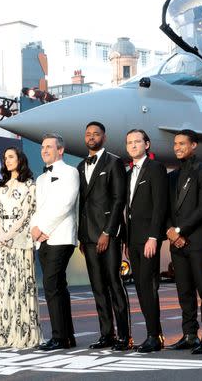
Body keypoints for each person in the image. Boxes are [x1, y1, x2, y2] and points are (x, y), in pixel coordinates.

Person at [77, 121, 131, 351]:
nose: (91, 137)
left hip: (108, 234)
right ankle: (106, 334)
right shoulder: (80, 166)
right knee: (98, 287)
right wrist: (82, 236)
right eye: (88, 134)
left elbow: (119, 200)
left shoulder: (114, 161)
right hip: (88, 237)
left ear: (104, 138)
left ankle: (124, 336)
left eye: (95, 134)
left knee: (114, 283)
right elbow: (81, 204)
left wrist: (108, 232)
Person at [165, 130, 202, 354]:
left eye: (182, 143)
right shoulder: (172, 176)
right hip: (176, 243)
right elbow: (165, 208)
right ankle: (189, 335)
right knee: (184, 291)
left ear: (193, 145)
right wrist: (170, 231)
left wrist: (179, 231)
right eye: (175, 144)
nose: (177, 147)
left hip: (197, 240)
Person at [31, 133, 79, 351]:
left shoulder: (70, 172)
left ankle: (59, 337)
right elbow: (36, 208)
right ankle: (67, 336)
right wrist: (34, 229)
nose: (44, 150)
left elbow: (65, 203)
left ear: (60, 150)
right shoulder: (40, 179)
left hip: (61, 236)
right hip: (42, 239)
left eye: (49, 147)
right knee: (58, 286)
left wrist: (44, 228)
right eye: (42, 147)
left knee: (51, 284)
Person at [0, 147, 43, 349]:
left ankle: (25, 333)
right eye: (5, 158)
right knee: (5, 289)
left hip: (21, 241)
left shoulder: (30, 185)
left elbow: (27, 214)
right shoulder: (0, 186)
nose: (7, 161)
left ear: (20, 159)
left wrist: (9, 234)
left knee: (22, 286)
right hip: (2, 243)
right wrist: (0, 237)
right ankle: (6, 333)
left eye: (11, 157)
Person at [124, 129, 168, 353]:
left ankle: (155, 335)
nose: (133, 145)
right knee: (140, 287)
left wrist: (154, 236)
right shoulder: (128, 171)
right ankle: (154, 333)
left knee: (148, 286)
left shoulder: (156, 168)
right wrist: (125, 239)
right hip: (133, 238)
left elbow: (160, 205)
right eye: (129, 142)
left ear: (147, 144)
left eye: (137, 141)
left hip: (148, 238)